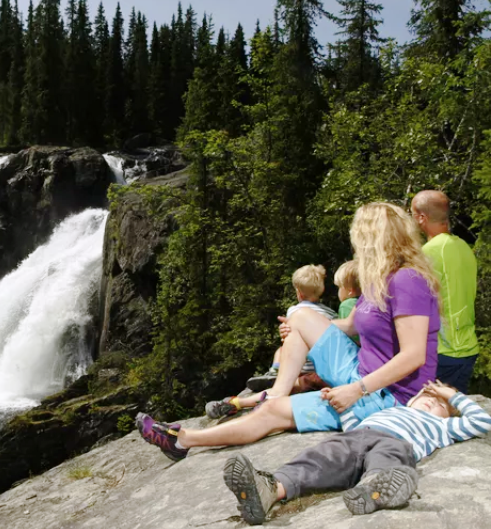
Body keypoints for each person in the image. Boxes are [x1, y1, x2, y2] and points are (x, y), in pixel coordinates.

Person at [137, 202, 440, 462]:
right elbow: (351, 326)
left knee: (274, 414)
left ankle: (184, 440)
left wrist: (354, 391)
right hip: (360, 370)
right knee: (302, 314)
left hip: (389, 395)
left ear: (374, 239)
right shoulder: (379, 279)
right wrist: (299, 326)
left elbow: (414, 355)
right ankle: (276, 392)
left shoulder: (407, 281)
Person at [222, 380, 491, 525]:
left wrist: (451, 395)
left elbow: (482, 422)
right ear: (412, 400)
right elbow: (353, 426)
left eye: (440, 404)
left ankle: (375, 488)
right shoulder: (391, 410)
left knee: (388, 457)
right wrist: (341, 405)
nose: (433, 400)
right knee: (319, 458)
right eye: (429, 396)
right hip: (356, 437)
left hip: (395, 442)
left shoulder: (444, 425)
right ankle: (269, 489)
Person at [207, 265, 337, 417]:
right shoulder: (331, 314)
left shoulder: (296, 311)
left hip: (303, 370)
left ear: (298, 293)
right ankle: (245, 397)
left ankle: (239, 400)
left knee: (283, 371)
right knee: (292, 382)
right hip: (319, 370)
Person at [411, 190, 479, 393]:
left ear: (422, 217)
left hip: (442, 350)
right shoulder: (464, 247)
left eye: (412, 215)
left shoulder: (428, 252)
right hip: (467, 347)